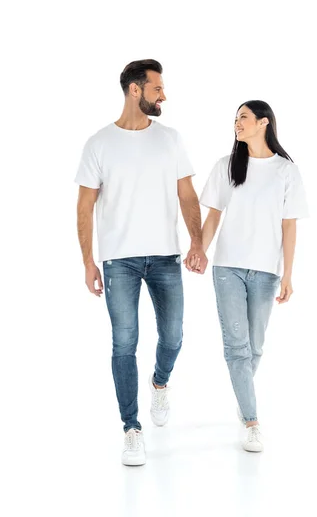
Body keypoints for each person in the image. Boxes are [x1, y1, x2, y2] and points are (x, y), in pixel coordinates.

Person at [74, 59, 207, 466]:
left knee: (174, 336)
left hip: (165, 256)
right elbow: (84, 207)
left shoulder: (170, 139)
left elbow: (187, 195)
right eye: (157, 88)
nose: (163, 95)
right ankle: (131, 428)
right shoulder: (99, 143)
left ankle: (160, 381)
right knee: (124, 342)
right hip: (119, 262)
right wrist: (88, 262)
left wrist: (197, 243)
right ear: (136, 90)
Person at [192, 100, 309, 452]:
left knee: (254, 347)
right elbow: (213, 215)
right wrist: (199, 249)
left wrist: (288, 273)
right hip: (227, 266)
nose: (236, 123)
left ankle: (243, 398)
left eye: (243, 117)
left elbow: (289, 227)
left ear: (263, 123)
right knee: (236, 348)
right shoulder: (226, 166)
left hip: (266, 271)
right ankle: (252, 420)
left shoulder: (286, 171)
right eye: (235, 118)